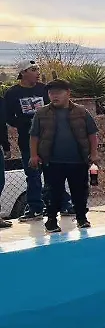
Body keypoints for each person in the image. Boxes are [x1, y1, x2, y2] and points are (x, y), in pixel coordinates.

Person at [27, 79, 99, 233]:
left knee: (80, 191)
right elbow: (34, 136)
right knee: (53, 192)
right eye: (51, 93)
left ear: (68, 93)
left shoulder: (81, 112)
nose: (54, 96)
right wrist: (34, 155)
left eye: (58, 92)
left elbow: (92, 134)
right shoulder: (42, 113)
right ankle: (51, 220)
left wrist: (93, 154)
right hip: (52, 161)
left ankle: (81, 218)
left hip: (78, 160)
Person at [3, 60, 50, 220]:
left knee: (53, 173)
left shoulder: (44, 89)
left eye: (38, 69)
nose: (37, 72)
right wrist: (24, 124)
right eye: (33, 69)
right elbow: (8, 117)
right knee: (33, 175)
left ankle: (63, 204)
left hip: (48, 140)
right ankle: (36, 208)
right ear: (23, 73)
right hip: (27, 142)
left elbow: (54, 109)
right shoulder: (12, 93)